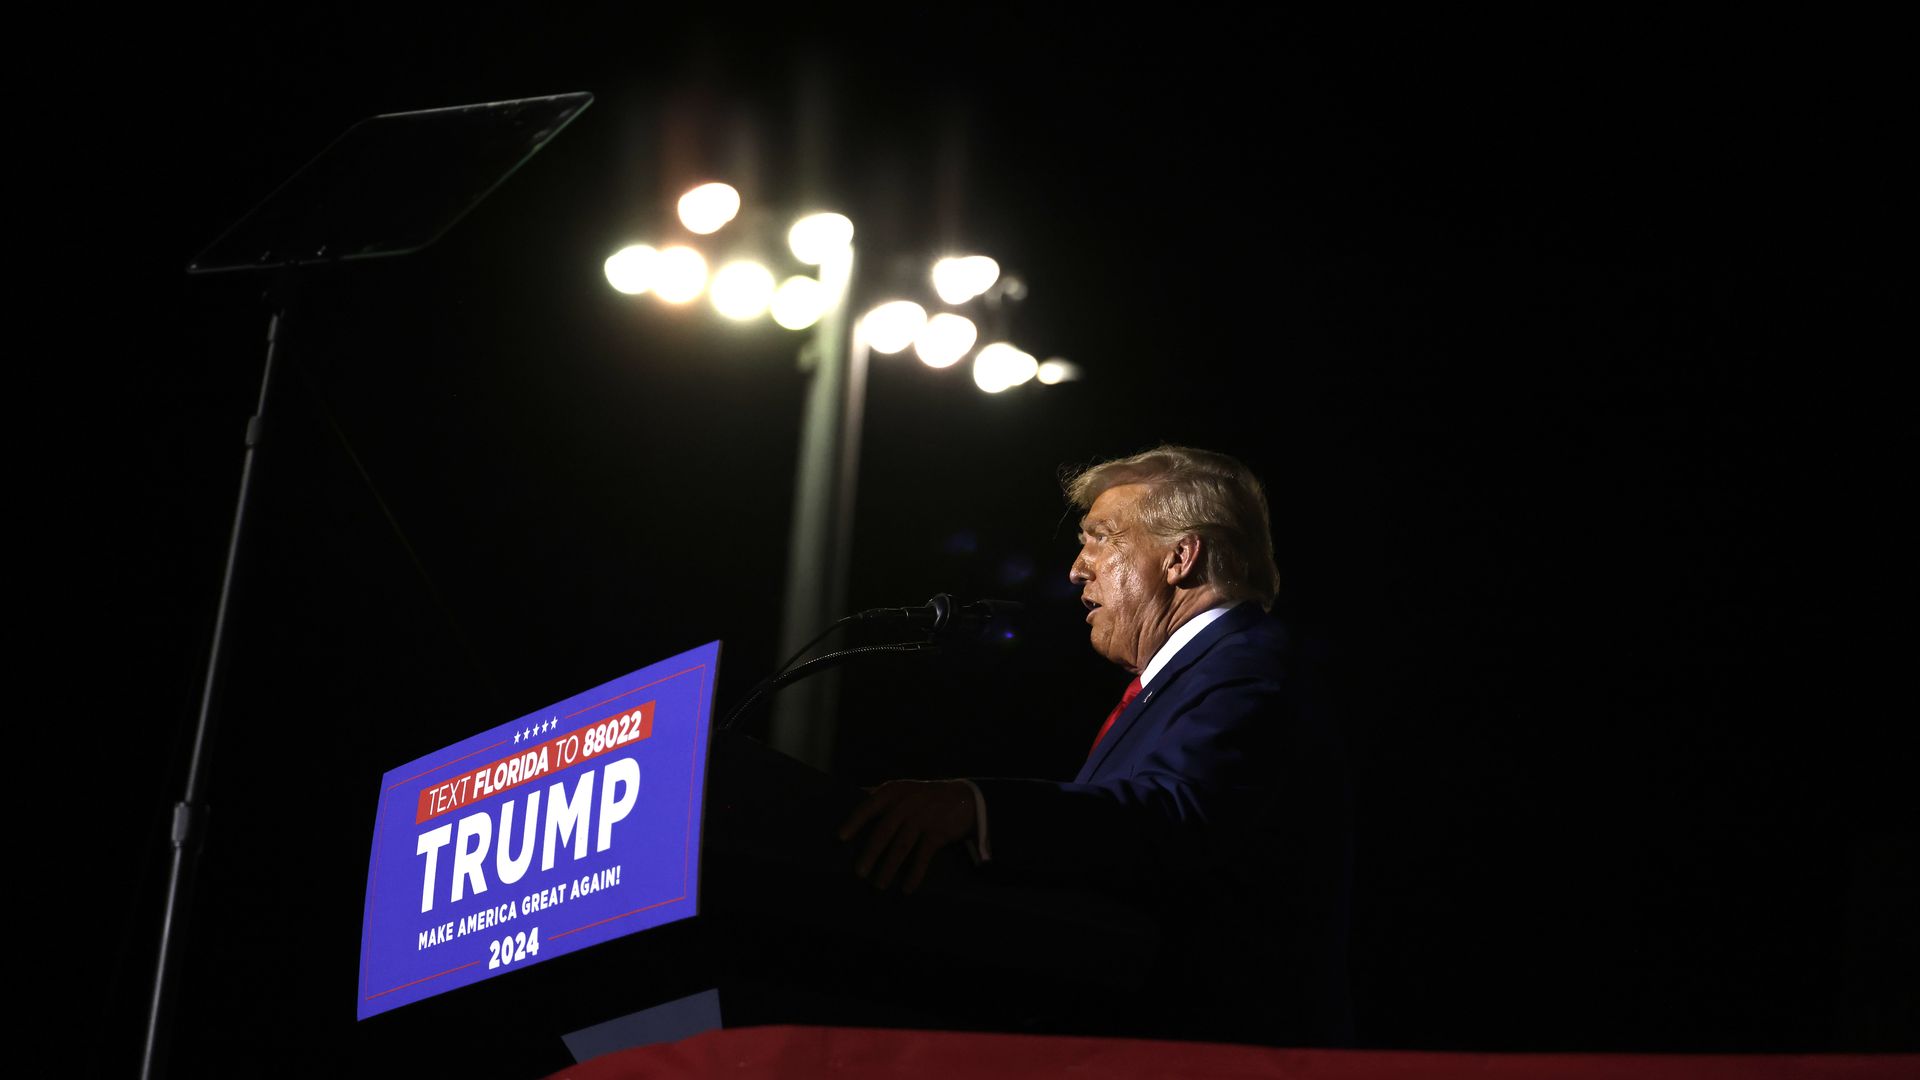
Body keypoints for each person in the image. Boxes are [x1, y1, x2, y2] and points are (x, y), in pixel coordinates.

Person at [839, 445, 1352, 1045]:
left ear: (1180, 558)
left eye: (1102, 539)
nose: (1077, 569)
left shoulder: (1247, 664)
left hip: (1213, 1047)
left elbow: (1175, 817)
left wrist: (976, 808)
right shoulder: (1181, 681)